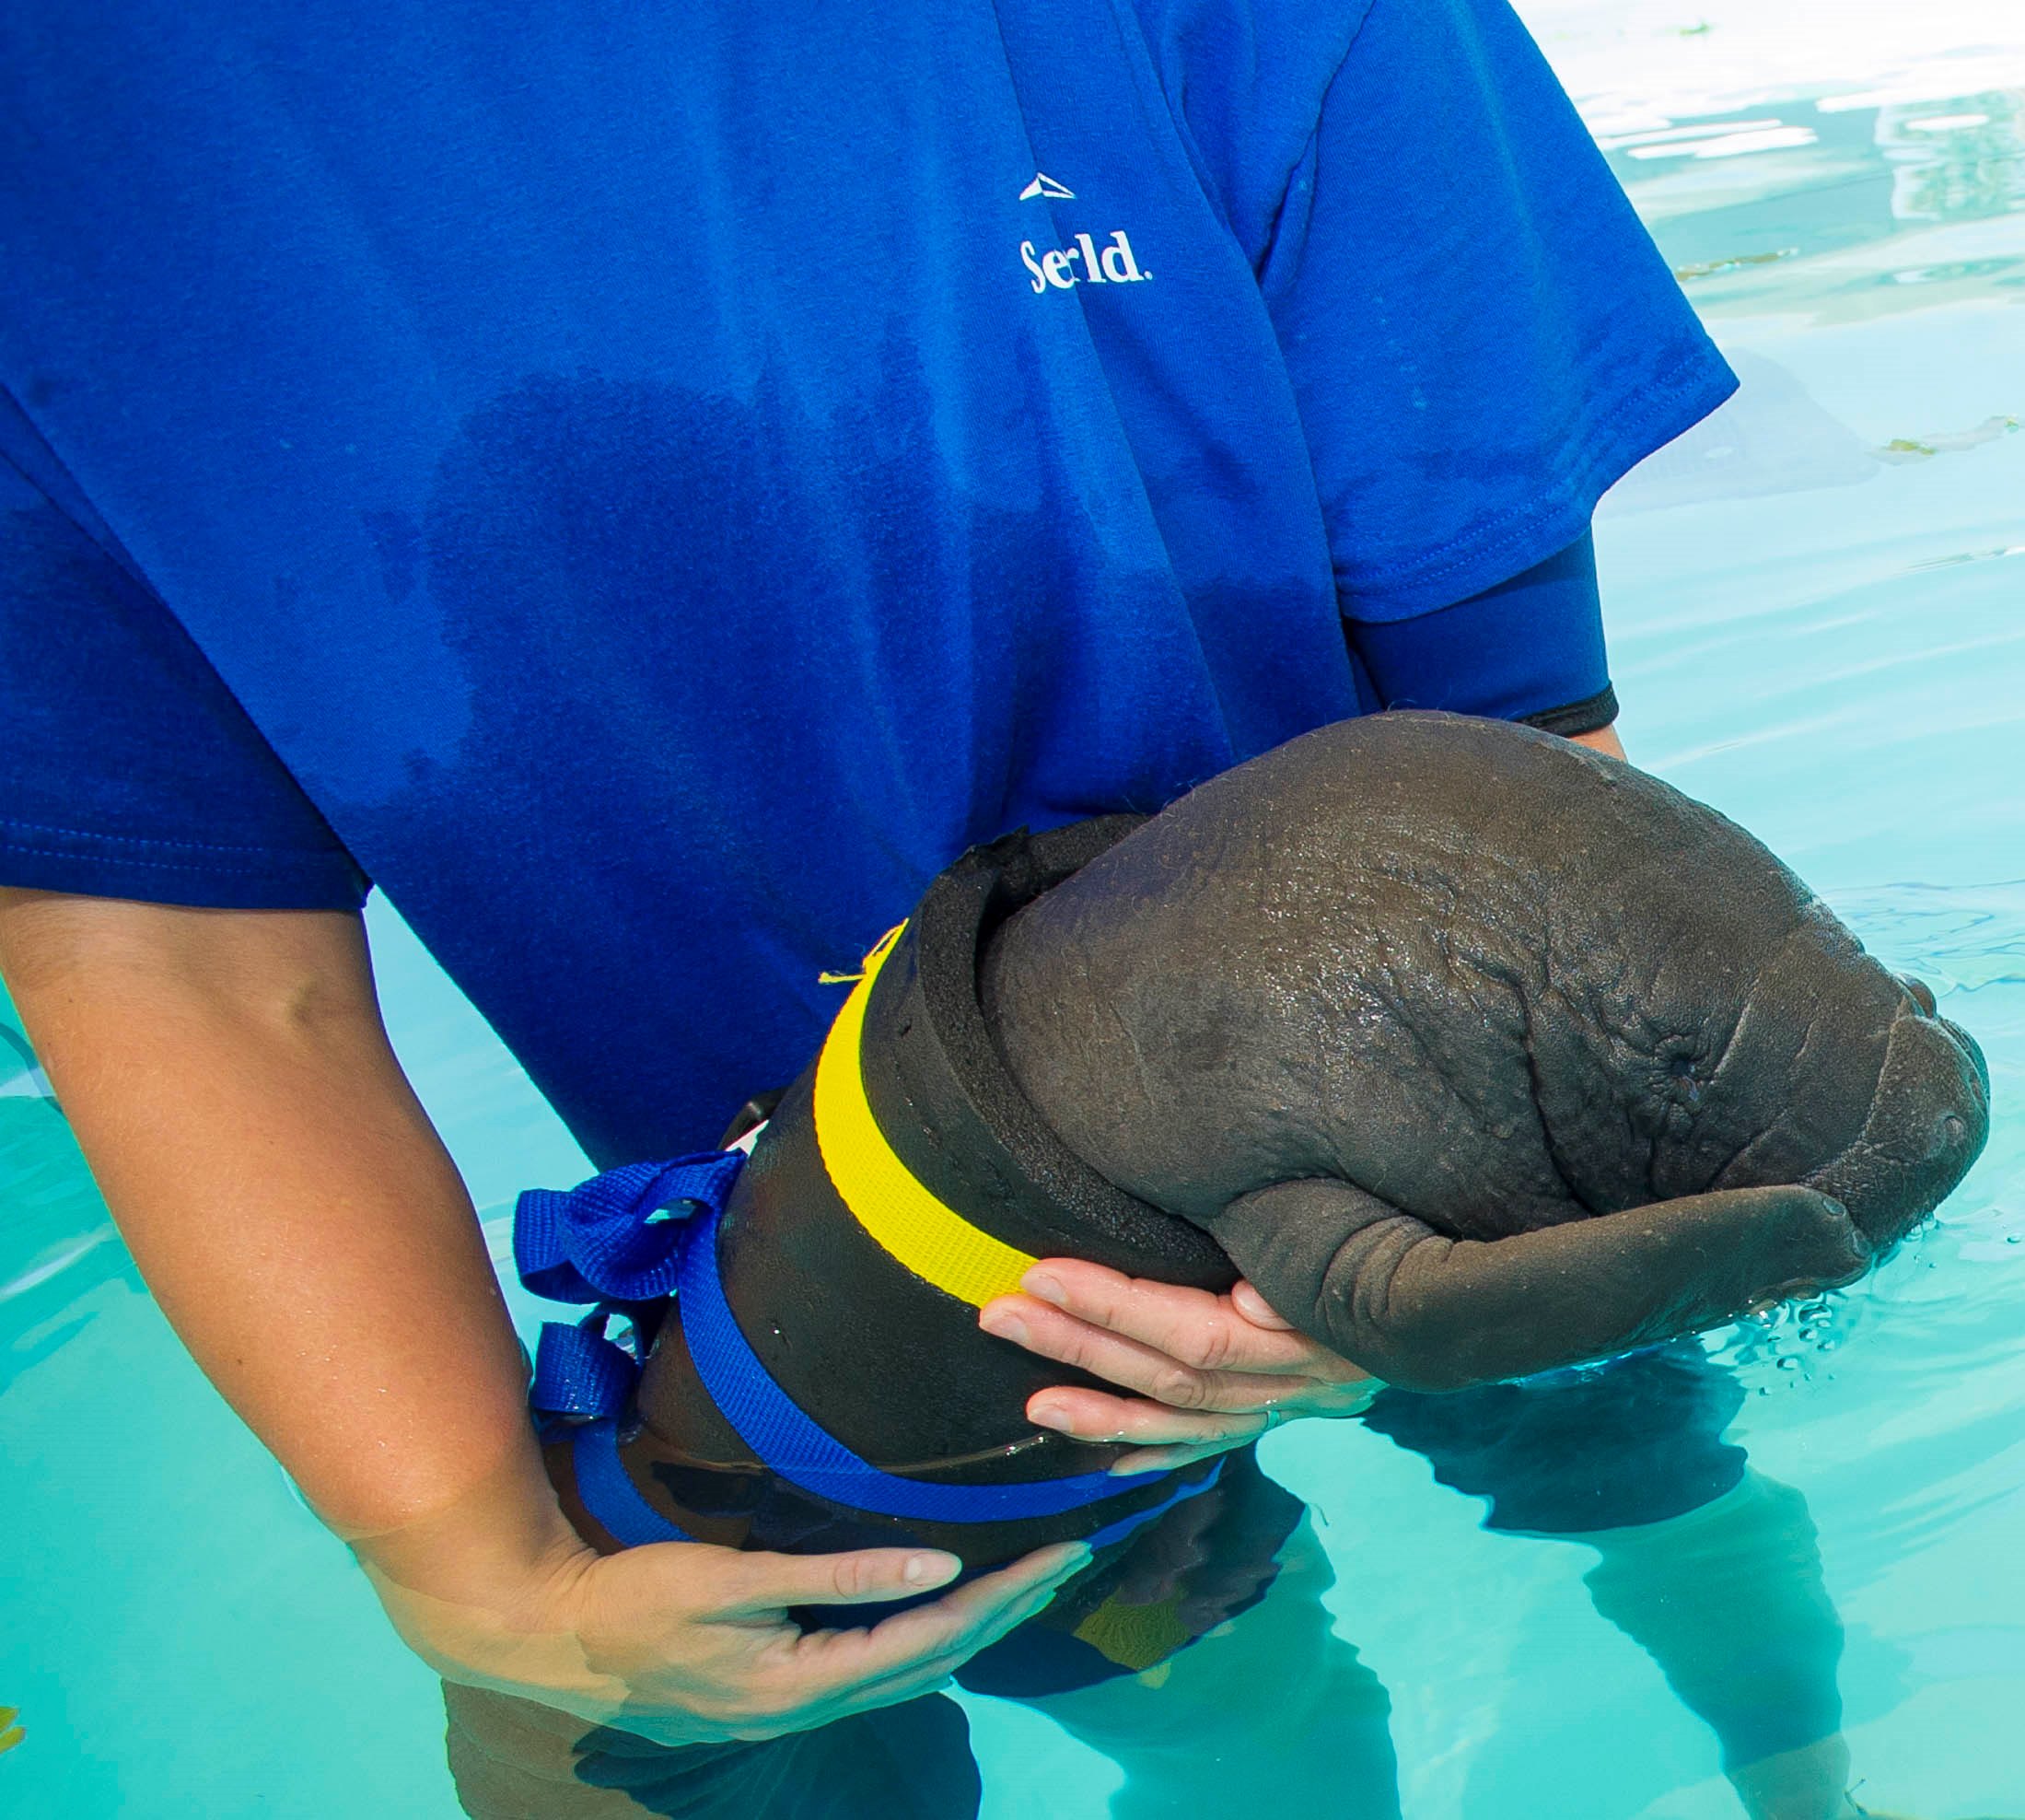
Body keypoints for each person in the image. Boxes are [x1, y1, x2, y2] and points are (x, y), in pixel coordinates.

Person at [0, 0, 1851, 1804]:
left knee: (1629, 1445)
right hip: (868, 1251)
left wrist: (1435, 1280)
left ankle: (1801, 1780)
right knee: (1227, 1702)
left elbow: (1524, 751)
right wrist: (471, 1572)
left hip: (1397, 1098)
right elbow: (172, 951)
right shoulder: (70, 131)